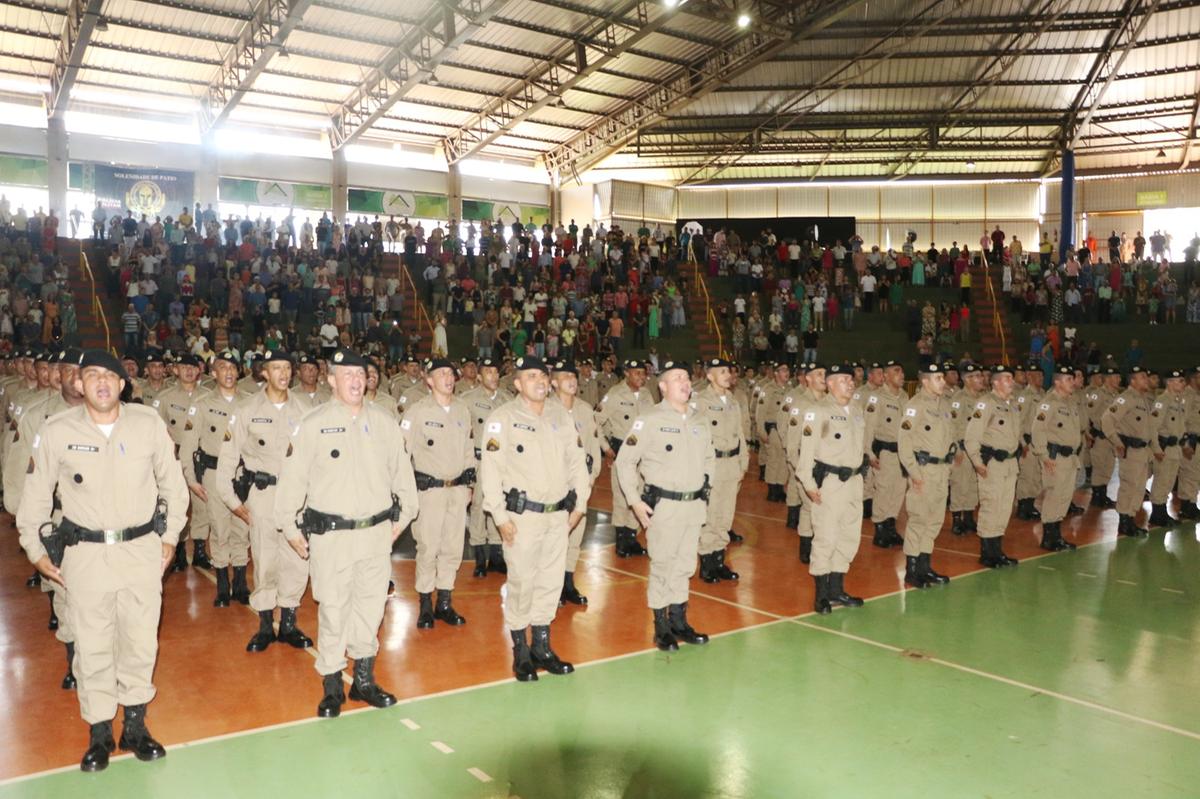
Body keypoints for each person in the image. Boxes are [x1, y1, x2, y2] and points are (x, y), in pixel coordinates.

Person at [16, 349, 189, 772]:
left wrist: (168, 539)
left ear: (123, 384)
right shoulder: (56, 430)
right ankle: (98, 732)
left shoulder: (148, 425)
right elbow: (35, 497)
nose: (101, 383)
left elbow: (174, 485)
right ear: (79, 383)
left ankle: (134, 725)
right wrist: (35, 550)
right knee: (92, 645)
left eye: (109, 376)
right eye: (92, 376)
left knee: (139, 640)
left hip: (140, 552)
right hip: (86, 555)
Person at [274, 348, 419, 718]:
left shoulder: (386, 423)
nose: (356, 380)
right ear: (331, 379)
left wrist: (395, 528)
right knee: (334, 609)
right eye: (347, 374)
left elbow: (406, 486)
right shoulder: (312, 424)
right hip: (331, 537)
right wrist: (290, 528)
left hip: (375, 535)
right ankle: (332, 684)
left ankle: (364, 681)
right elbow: (291, 483)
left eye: (361, 373)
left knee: (371, 609)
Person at [479, 355, 590, 681]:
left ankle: (542, 646)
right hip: (522, 518)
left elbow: (576, 461)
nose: (540, 381)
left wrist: (580, 504)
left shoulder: (561, 415)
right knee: (522, 583)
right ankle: (521, 651)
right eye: (531, 376)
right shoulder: (503, 418)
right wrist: (500, 517)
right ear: (517, 383)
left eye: (543, 376)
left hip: (558, 517)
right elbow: (491, 470)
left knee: (550, 583)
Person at [214, 349, 314, 652]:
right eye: (276, 368)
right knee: (266, 559)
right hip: (264, 494)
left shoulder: (306, 408)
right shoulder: (246, 410)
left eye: (287, 367)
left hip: (298, 497)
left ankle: (289, 624)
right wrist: (234, 502)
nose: (283, 373)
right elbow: (228, 459)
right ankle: (264, 625)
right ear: (264, 373)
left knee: (297, 561)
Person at [615, 360, 714, 651]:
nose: (685, 383)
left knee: (684, 566)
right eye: (677, 378)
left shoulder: (699, 419)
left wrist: (706, 486)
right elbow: (625, 461)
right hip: (664, 507)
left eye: (686, 377)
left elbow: (710, 458)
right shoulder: (650, 419)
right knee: (662, 565)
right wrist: (634, 502)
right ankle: (661, 627)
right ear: (663, 386)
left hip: (693, 505)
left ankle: (679, 621)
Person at [4, 348, 86, 689]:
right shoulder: (38, 417)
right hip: (57, 519)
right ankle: (75, 663)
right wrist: (29, 525)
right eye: (64, 370)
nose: (70, 377)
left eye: (79, 371)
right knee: (66, 592)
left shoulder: (115, 416)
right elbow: (20, 468)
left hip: (102, 521)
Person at [400, 358, 475, 629]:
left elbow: (469, 449)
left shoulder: (462, 410)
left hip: (456, 490)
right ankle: (425, 605)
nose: (448, 377)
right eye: (441, 373)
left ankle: (444, 602)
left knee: (452, 548)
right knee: (428, 548)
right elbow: (401, 454)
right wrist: (404, 493)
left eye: (450, 372)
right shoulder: (416, 412)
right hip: (428, 492)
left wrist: (469, 484)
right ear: (428, 379)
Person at [178, 351, 251, 607]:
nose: (229, 372)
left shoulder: (250, 402)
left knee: (242, 527)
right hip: (212, 473)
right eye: (223, 367)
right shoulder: (202, 403)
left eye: (233, 367)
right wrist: (191, 478)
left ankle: (241, 583)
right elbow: (187, 445)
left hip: (242, 475)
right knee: (219, 528)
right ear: (213, 373)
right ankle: (222, 584)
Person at [798, 362, 866, 613]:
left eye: (851, 379)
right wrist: (808, 483)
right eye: (843, 379)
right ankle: (822, 595)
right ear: (830, 383)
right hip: (830, 483)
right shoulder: (818, 411)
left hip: (854, 482)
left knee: (849, 537)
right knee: (826, 536)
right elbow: (806, 451)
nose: (850, 383)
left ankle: (837, 590)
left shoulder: (857, 410)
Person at [549, 360, 602, 605]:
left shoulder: (585, 409)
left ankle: (568, 583)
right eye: (564, 376)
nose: (572, 380)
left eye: (573, 375)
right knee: (553, 540)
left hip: (580, 486)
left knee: (575, 538)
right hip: (554, 488)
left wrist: (588, 482)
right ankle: (552, 587)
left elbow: (593, 448)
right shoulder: (545, 410)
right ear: (552, 382)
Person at [897, 362, 955, 588]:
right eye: (938, 378)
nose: (943, 381)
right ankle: (912, 570)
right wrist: (915, 474)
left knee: (935, 521)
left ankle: (925, 566)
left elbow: (950, 439)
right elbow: (904, 444)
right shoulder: (915, 406)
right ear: (925, 381)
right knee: (919, 519)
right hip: (923, 471)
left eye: (942, 377)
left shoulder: (944, 406)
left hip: (941, 471)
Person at [693, 358, 749, 583]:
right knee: (710, 514)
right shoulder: (700, 402)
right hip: (712, 465)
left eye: (729, 371)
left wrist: (743, 461)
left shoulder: (733, 401)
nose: (728, 375)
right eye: (722, 371)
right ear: (710, 376)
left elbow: (740, 434)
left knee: (726, 514)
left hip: (731, 464)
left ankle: (719, 560)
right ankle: (707, 562)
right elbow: (695, 436)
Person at [596, 360, 656, 557]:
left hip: (644, 454)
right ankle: (621, 541)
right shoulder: (614, 394)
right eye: (636, 373)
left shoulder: (647, 395)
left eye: (643, 373)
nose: (641, 376)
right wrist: (606, 448)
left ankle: (632, 539)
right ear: (626, 374)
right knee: (622, 497)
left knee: (638, 495)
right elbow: (595, 422)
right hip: (622, 453)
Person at [964, 364, 1022, 565]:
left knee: (1004, 508)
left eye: (1011, 378)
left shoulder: (1013, 404)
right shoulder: (985, 403)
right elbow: (971, 437)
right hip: (992, 465)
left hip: (1010, 464)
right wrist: (978, 462)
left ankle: (997, 550)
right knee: (991, 505)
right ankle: (987, 553)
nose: (1011, 381)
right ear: (995, 382)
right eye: (1006, 378)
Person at [460, 358, 510, 576]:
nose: (493, 375)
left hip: (502, 463)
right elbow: (462, 436)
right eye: (488, 372)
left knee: (500, 504)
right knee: (479, 507)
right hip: (480, 462)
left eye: (495, 371)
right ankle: (480, 558)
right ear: (479, 377)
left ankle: (497, 557)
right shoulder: (467, 400)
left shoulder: (508, 400)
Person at [1031, 365, 1085, 551]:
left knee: (1064, 497)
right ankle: (1048, 538)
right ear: (1057, 382)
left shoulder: (1070, 402)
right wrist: (1044, 456)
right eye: (1069, 379)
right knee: (1054, 496)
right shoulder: (1049, 403)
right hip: (1054, 458)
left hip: (1069, 458)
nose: (1073, 382)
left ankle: (1056, 536)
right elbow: (1038, 430)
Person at [1100, 365, 1156, 536]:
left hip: (1143, 451)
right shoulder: (1126, 399)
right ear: (1133, 381)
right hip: (1130, 450)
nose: (1146, 380)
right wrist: (1117, 442)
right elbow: (1107, 419)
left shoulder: (1144, 399)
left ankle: (1130, 518)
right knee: (1129, 486)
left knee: (1139, 488)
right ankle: (1124, 522)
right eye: (1142, 377)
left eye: (1146, 377)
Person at [863, 361, 908, 548]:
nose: (902, 375)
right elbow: (868, 427)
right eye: (897, 371)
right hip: (884, 452)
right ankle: (880, 530)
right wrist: (869, 453)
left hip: (901, 454)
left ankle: (891, 527)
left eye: (902, 371)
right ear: (886, 376)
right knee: (883, 490)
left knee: (898, 491)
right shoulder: (876, 398)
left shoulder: (905, 397)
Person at [947, 363, 986, 536]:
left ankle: (969, 517)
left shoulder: (983, 398)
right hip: (962, 447)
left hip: (977, 449)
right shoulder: (959, 398)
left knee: (972, 484)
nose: (981, 379)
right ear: (967, 379)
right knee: (959, 484)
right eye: (977, 376)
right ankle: (957, 519)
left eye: (981, 375)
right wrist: (956, 448)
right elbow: (951, 425)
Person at [1147, 369, 1188, 527]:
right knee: (1161, 481)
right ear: (1169, 382)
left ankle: (1162, 512)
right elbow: (1152, 426)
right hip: (1163, 449)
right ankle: (1157, 514)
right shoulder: (1162, 401)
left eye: (1183, 380)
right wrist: (1156, 448)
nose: (1183, 383)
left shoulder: (1178, 401)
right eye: (1179, 381)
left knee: (1169, 482)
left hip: (1175, 449)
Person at [1085, 367, 1122, 508]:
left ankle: (1103, 495)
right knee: (1099, 468)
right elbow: (1087, 413)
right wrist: (1088, 434)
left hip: (1111, 439)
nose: (1119, 379)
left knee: (1108, 468)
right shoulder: (1097, 394)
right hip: (1100, 438)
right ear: (1107, 378)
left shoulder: (1117, 396)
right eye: (1116, 376)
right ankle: (1097, 497)